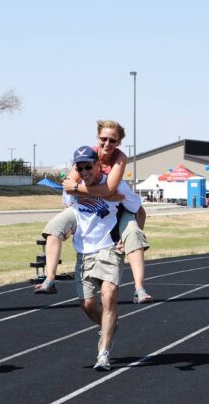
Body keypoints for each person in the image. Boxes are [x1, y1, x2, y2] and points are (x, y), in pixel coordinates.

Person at [34, 120, 152, 304]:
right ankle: (50, 279)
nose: (107, 144)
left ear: (118, 142)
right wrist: (75, 195)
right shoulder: (86, 155)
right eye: (103, 139)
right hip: (86, 206)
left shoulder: (119, 161)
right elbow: (68, 187)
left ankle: (139, 288)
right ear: (97, 138)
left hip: (117, 208)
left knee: (134, 234)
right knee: (54, 227)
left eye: (112, 140)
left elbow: (110, 190)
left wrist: (94, 191)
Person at [61, 145, 142, 371]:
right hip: (84, 251)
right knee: (88, 304)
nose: (85, 171)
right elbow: (70, 213)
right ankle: (109, 323)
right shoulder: (70, 188)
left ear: (98, 165)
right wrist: (67, 230)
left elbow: (138, 209)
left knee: (109, 297)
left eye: (89, 166)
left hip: (109, 249)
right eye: (80, 167)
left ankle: (104, 352)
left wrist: (131, 237)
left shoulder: (116, 185)